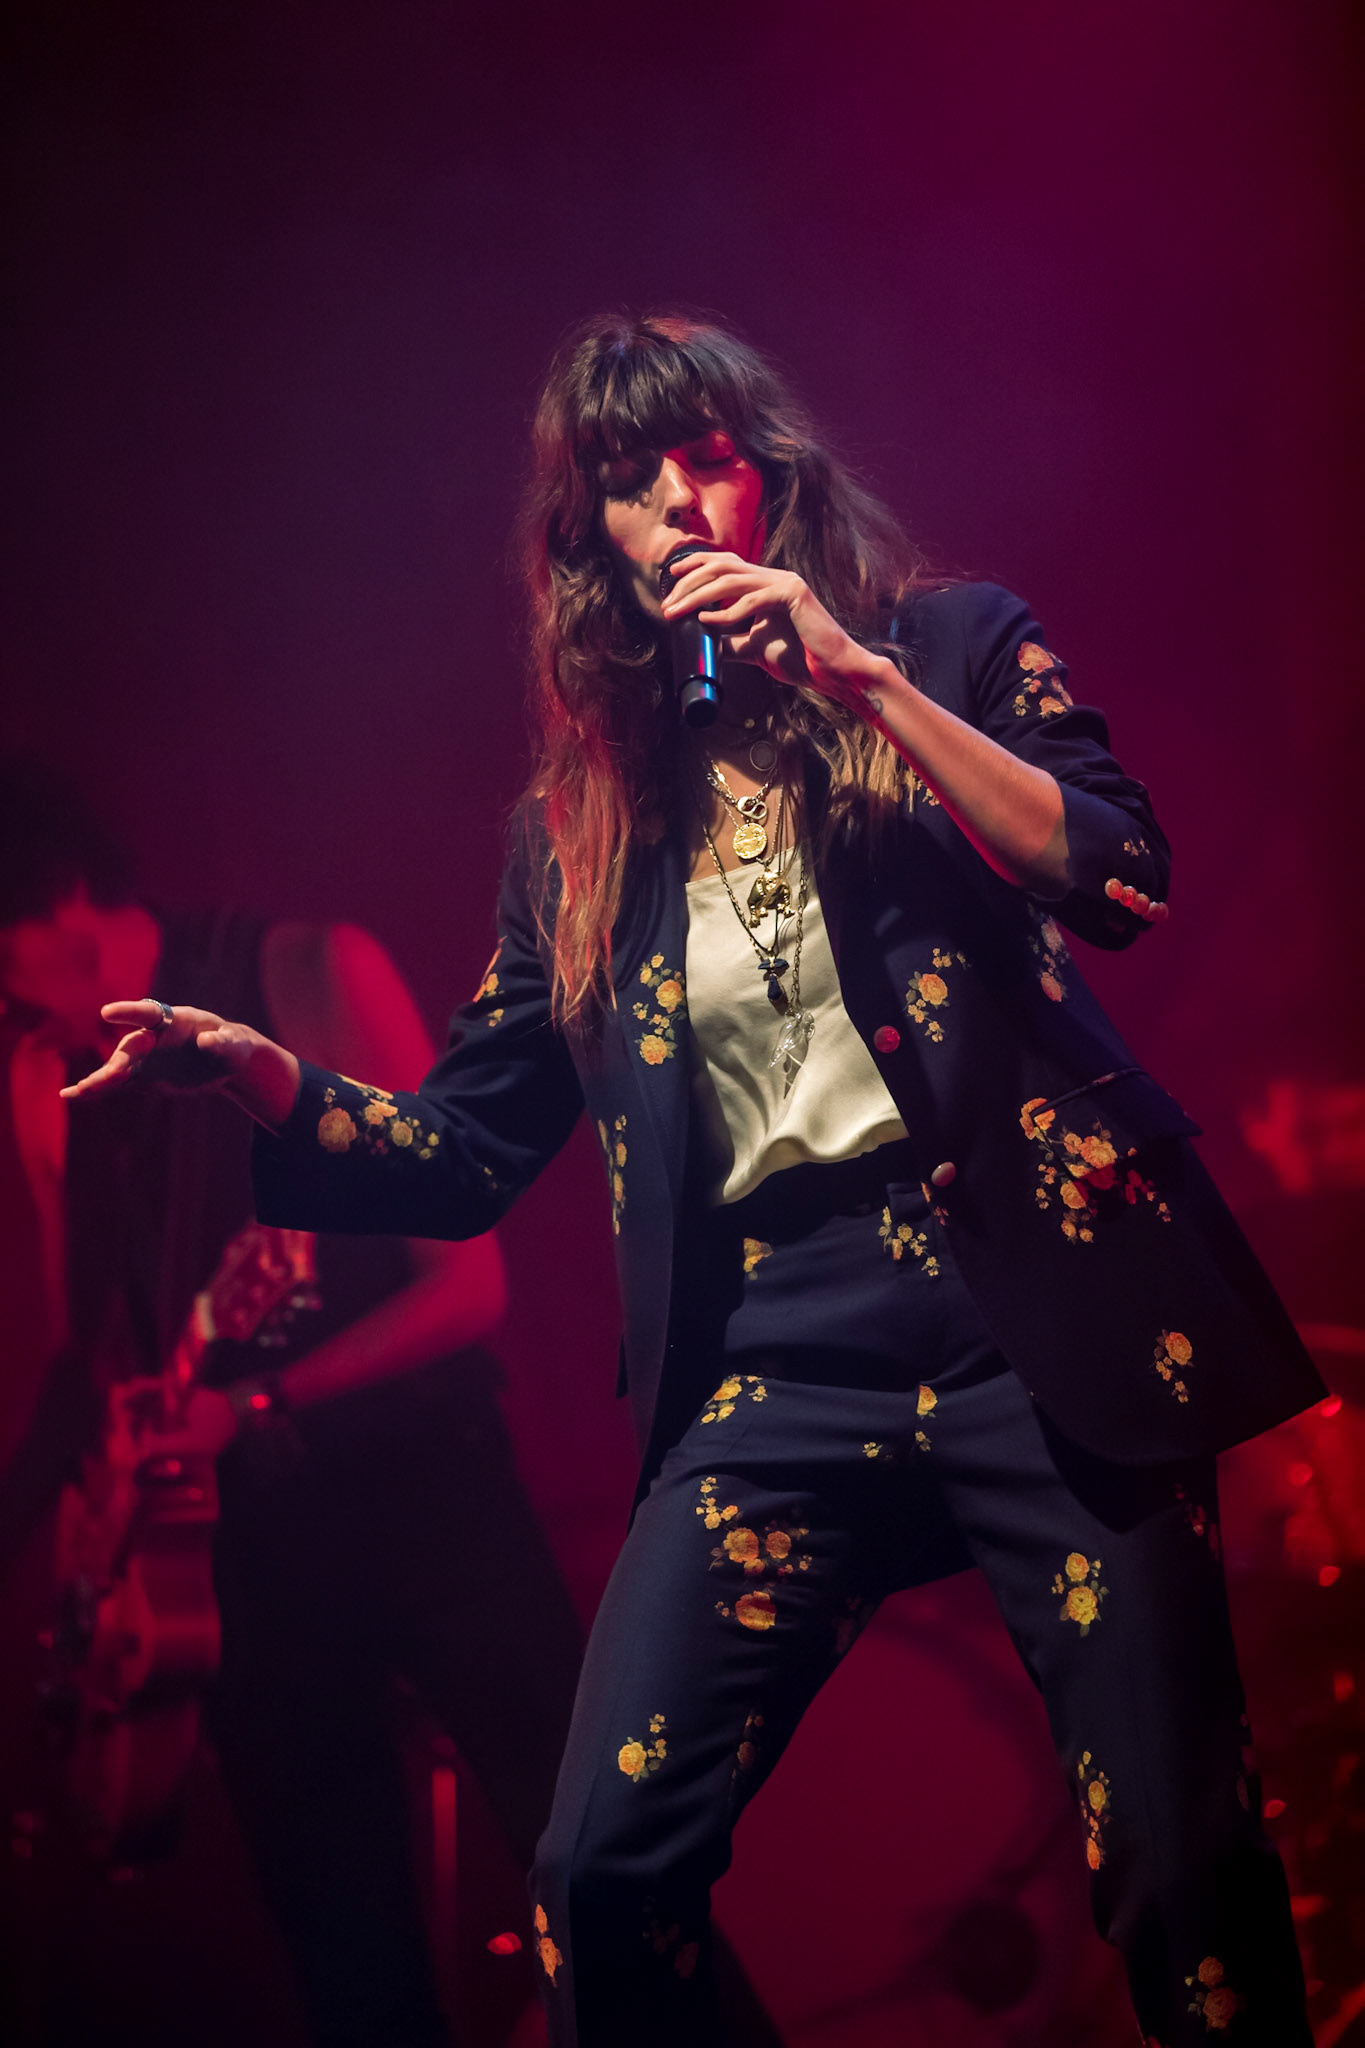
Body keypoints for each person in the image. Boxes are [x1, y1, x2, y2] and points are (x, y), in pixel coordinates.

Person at [66, 312, 1326, 2047]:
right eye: (632, 480)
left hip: (1033, 1314)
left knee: (1182, 1870)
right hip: (780, 1357)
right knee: (601, 1867)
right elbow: (467, 1148)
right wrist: (266, 1075)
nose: (683, 497)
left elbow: (1117, 870)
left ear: (771, 470)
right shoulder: (578, 829)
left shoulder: (948, 647)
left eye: (710, 451)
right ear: (596, 542)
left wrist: (859, 678)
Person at [0, 761, 585, 2048]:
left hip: (427, 1501)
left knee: (599, 1872)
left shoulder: (307, 971)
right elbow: (86, 1366)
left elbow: (467, 1286)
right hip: (240, 1568)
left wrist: (262, 1401)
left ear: (60, 902)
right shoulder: (55, 1083)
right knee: (346, 1961)